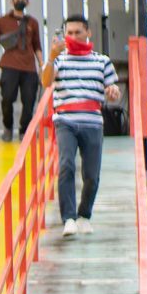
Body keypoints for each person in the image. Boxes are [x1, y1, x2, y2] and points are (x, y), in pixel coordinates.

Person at [42, 15, 122, 235]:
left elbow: (113, 91)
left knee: (91, 174)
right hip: (65, 120)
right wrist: (50, 57)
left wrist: (113, 92)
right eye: (69, 33)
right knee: (66, 165)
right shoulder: (59, 59)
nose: (73, 37)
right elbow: (46, 81)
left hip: (92, 121)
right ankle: (68, 218)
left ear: (88, 33)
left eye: (78, 32)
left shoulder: (101, 61)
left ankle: (84, 214)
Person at [0, 0, 43, 139]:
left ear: (27, 3)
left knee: (29, 100)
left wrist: (42, 64)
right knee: (7, 97)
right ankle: (8, 127)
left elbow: (37, 45)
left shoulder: (32, 23)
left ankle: (24, 131)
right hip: (10, 65)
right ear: (12, 2)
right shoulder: (2, 21)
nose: (20, 1)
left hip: (29, 66)